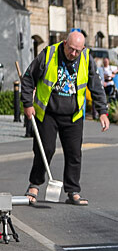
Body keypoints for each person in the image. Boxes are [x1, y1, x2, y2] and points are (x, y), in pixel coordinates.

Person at [20, 31, 110, 206]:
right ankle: (34, 185)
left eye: (78, 50)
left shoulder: (86, 58)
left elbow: (96, 86)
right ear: (64, 43)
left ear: (83, 48)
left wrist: (103, 112)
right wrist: (27, 103)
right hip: (48, 113)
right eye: (71, 49)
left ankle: (73, 190)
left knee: (74, 153)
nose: (73, 54)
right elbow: (29, 77)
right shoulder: (49, 54)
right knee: (45, 149)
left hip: (73, 115)